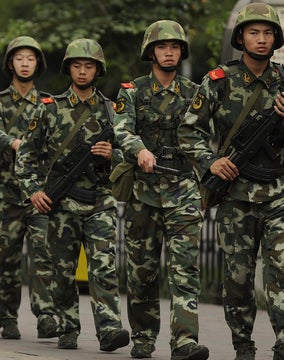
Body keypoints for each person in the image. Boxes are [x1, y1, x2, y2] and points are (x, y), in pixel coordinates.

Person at [178, 3, 284, 360]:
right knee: (238, 278)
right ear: (241, 37)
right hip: (237, 197)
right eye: (254, 32)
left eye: (268, 33)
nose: (261, 39)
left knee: (283, 268)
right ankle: (243, 345)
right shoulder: (218, 81)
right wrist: (212, 162)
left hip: (282, 192)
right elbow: (188, 132)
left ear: (276, 39)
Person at [15, 38, 129, 352]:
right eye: (77, 66)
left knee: (103, 267)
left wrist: (111, 156)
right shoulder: (50, 108)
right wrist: (33, 191)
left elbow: (129, 156)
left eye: (88, 66)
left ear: (98, 70)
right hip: (61, 203)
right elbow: (26, 154)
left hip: (99, 202)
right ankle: (68, 328)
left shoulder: (112, 110)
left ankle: (109, 330)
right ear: (69, 68)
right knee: (62, 270)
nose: (82, 71)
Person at [113, 20, 208, 360]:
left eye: (175, 47)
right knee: (142, 272)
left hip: (183, 191)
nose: (169, 52)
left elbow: (206, 136)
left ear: (182, 52)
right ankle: (142, 337)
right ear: (150, 51)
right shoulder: (132, 91)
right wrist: (139, 149)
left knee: (185, 271)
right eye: (162, 46)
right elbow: (120, 130)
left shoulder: (197, 92)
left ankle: (184, 341)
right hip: (144, 194)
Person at [0, 36, 57, 340]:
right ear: (10, 64)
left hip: (38, 193)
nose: (25, 63)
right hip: (7, 194)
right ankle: (8, 316)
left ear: (37, 63)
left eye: (30, 58)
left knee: (43, 256)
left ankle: (46, 316)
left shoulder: (49, 103)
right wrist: (16, 143)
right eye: (19, 58)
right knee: (6, 259)